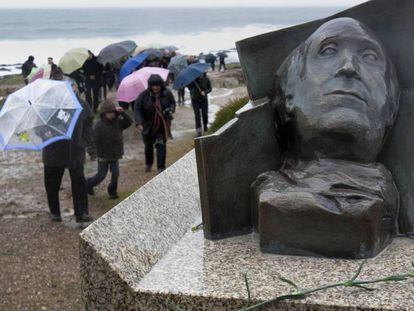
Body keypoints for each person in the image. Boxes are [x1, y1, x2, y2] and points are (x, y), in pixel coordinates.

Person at [42, 70, 93, 223]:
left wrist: (85, 140)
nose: (71, 90)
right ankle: (55, 212)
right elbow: (40, 127)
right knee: (52, 183)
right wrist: (45, 134)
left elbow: (89, 122)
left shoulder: (82, 104)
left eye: (73, 87)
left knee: (79, 182)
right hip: (53, 151)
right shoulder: (48, 106)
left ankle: (81, 213)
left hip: (75, 150)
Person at [86, 101, 132, 199]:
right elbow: (92, 140)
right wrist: (93, 153)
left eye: (113, 112)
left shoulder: (118, 122)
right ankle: (88, 183)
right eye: (109, 112)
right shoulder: (98, 125)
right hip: (103, 155)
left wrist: (122, 113)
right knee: (101, 175)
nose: (111, 114)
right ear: (104, 113)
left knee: (115, 173)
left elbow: (129, 122)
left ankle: (112, 191)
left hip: (115, 154)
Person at [134, 74, 175, 173]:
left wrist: (170, 110)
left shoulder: (167, 93)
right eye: (153, 85)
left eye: (157, 85)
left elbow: (173, 103)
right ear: (150, 86)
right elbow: (137, 109)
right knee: (148, 147)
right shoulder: (143, 95)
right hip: (147, 125)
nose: (156, 87)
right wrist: (139, 122)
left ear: (161, 85)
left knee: (161, 145)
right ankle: (148, 163)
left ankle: (161, 167)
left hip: (162, 124)